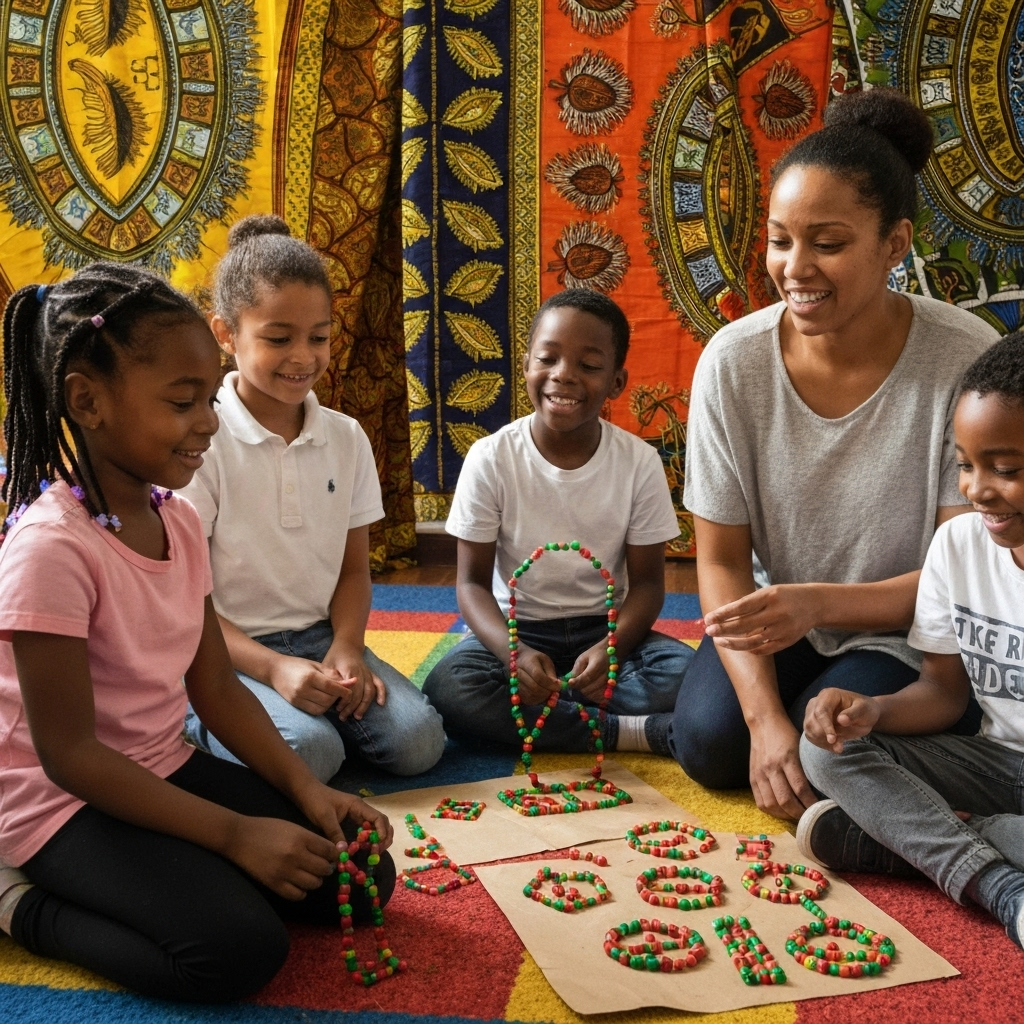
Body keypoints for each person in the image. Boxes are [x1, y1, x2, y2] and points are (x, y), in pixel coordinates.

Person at [0, 264, 395, 1002]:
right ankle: (19, 902)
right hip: (58, 800)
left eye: (210, 399)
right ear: (87, 401)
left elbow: (214, 686)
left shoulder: (177, 518)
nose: (210, 423)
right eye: (183, 403)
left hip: (157, 763)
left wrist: (308, 791)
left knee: (361, 876)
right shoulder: (50, 548)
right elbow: (70, 757)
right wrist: (233, 835)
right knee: (237, 951)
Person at [668, 87, 999, 820]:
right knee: (712, 744)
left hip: (909, 635)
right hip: (779, 618)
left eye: (827, 244)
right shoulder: (732, 362)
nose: (795, 268)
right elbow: (721, 562)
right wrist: (763, 720)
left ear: (895, 244)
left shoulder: (962, 357)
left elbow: (960, 571)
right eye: (780, 240)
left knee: (828, 752)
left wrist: (815, 602)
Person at [180, 215, 444, 782]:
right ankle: (193, 717)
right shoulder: (202, 441)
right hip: (221, 650)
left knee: (419, 743)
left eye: (318, 337)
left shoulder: (346, 438)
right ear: (225, 333)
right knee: (311, 754)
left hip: (321, 638)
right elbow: (185, 602)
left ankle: (306, 715)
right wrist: (274, 669)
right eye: (278, 339)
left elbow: (353, 571)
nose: (303, 357)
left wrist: (347, 647)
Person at [799, 331, 1024, 949]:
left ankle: (921, 841)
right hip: (995, 766)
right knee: (827, 750)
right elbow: (944, 692)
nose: (977, 490)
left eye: (1006, 470)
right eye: (966, 465)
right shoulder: (959, 544)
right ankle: (1002, 887)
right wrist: (872, 711)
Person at [422, 289, 693, 756]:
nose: (564, 375)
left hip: (606, 631)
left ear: (617, 381)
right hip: (517, 630)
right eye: (548, 358)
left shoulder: (639, 462)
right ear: (526, 365)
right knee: (450, 688)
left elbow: (649, 585)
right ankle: (624, 731)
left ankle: (545, 712)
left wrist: (611, 649)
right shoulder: (491, 458)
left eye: (589, 365)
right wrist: (514, 656)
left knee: (689, 674)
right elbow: (470, 585)